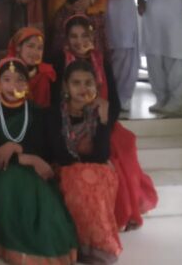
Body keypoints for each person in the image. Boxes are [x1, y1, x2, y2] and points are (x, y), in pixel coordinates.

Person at [56, 14, 158, 232]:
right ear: (66, 38)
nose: (79, 41)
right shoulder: (59, 61)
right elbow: (56, 101)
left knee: (122, 145)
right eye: (73, 36)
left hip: (102, 121)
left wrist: (104, 123)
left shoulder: (100, 61)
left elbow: (114, 101)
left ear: (93, 36)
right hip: (71, 123)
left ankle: (124, 212)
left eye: (84, 35)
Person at [0, 57, 77, 264]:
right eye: (7, 79)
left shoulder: (36, 111)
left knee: (44, 194)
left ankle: (50, 247)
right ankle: (19, 247)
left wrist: (18, 149)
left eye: (19, 80)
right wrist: (23, 157)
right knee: (16, 184)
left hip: (32, 167)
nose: (13, 86)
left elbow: (44, 147)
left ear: (28, 83)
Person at [48, 59, 122, 264]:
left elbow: (102, 154)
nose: (83, 88)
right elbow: (61, 155)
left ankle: (98, 246)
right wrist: (84, 164)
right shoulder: (54, 114)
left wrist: (104, 120)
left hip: (96, 169)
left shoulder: (99, 112)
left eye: (88, 83)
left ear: (96, 86)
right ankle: (82, 244)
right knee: (83, 180)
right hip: (65, 168)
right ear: (66, 87)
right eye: (76, 83)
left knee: (98, 177)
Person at [7, 27, 56, 108]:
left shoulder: (46, 73)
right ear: (18, 47)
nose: (35, 52)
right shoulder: (6, 72)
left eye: (40, 48)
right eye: (30, 46)